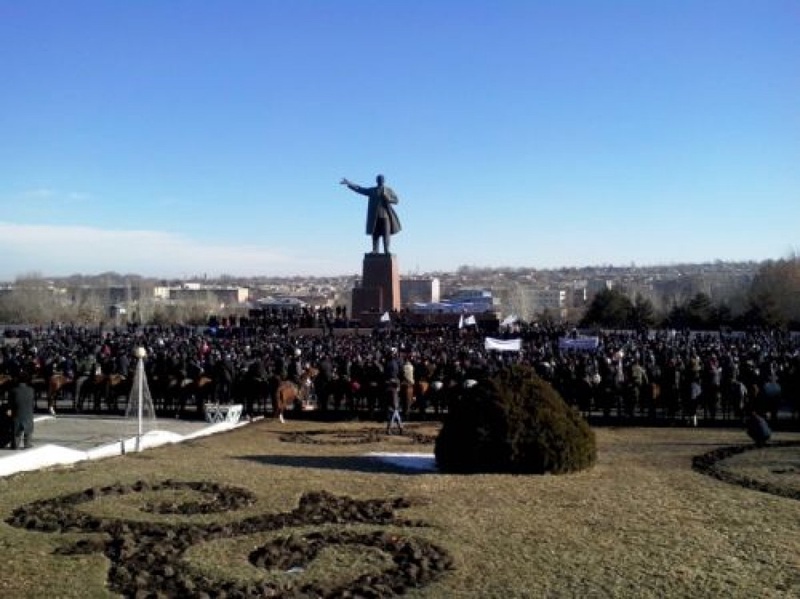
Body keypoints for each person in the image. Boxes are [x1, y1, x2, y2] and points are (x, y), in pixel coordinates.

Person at [340, 174, 402, 254]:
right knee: (375, 234)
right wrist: (349, 183)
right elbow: (360, 189)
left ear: (384, 181)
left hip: (385, 216)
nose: (380, 180)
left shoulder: (388, 190)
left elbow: (396, 200)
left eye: (381, 179)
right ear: (376, 181)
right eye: (379, 179)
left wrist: (388, 198)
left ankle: (387, 250)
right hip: (375, 217)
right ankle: (375, 250)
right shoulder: (372, 190)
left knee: (386, 234)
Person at [10, 373, 35, 449]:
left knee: (16, 431)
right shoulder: (31, 390)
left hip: (17, 414)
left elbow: (10, 403)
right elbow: (32, 403)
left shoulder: (13, 390)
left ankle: (15, 444)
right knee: (28, 430)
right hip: (28, 414)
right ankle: (27, 444)